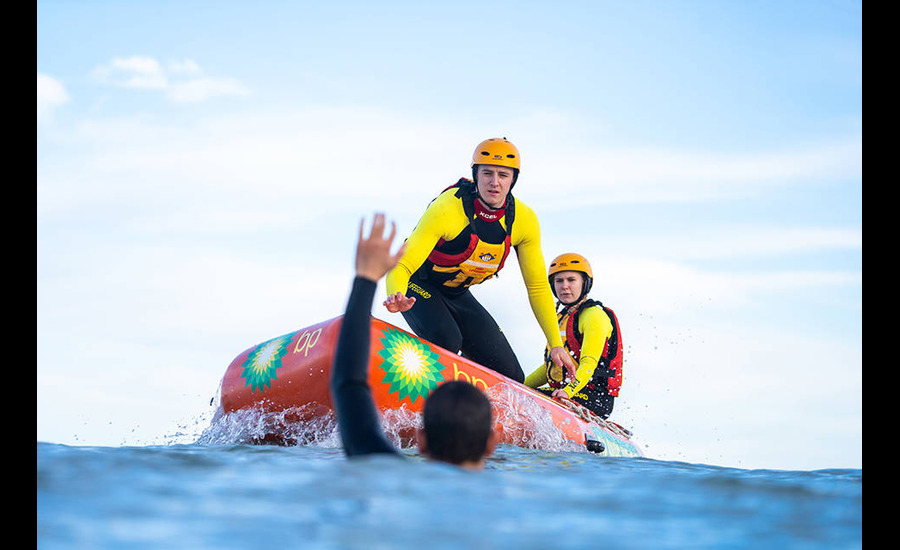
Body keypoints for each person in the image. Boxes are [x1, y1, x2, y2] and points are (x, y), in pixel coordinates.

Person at [382, 137, 576, 383]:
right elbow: (402, 265)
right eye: (487, 173)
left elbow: (537, 287)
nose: (494, 182)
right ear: (475, 174)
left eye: (503, 175)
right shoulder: (447, 209)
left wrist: (555, 344)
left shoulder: (524, 221)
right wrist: (396, 295)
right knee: (447, 340)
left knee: (511, 374)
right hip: (416, 284)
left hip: (457, 293)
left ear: (513, 179)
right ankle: (414, 388)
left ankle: (478, 409)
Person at [330, 213, 499, 469]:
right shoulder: (514, 503)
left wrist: (366, 278)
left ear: (421, 440)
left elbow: (348, 383)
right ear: (491, 443)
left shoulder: (393, 472)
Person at [523, 253, 624, 419]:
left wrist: (567, 392)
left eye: (571, 280)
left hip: (595, 398)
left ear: (585, 283)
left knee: (526, 398)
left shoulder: (594, 316)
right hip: (565, 391)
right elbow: (552, 365)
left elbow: (589, 363)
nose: (564, 286)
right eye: (559, 281)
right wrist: (519, 384)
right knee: (522, 392)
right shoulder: (561, 319)